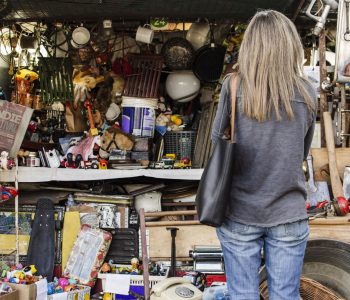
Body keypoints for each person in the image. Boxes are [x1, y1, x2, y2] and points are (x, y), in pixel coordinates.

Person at [211, 10, 316, 300]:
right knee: (285, 296)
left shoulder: (233, 87)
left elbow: (216, 145)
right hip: (288, 211)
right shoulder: (308, 92)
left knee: (242, 295)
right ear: (290, 45)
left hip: (240, 211)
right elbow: (301, 151)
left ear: (251, 46)